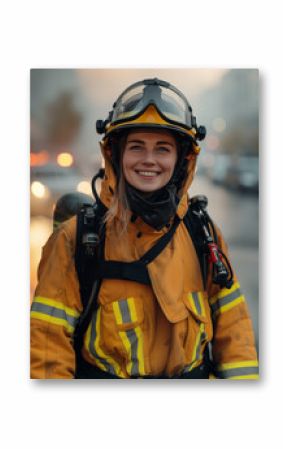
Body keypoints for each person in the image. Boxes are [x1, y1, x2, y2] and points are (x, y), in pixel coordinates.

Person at [30, 78, 259, 379]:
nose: (149, 160)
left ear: (181, 160)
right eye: (136, 147)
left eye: (162, 149)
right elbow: (48, 352)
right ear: (116, 155)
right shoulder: (75, 240)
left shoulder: (204, 235)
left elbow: (236, 338)